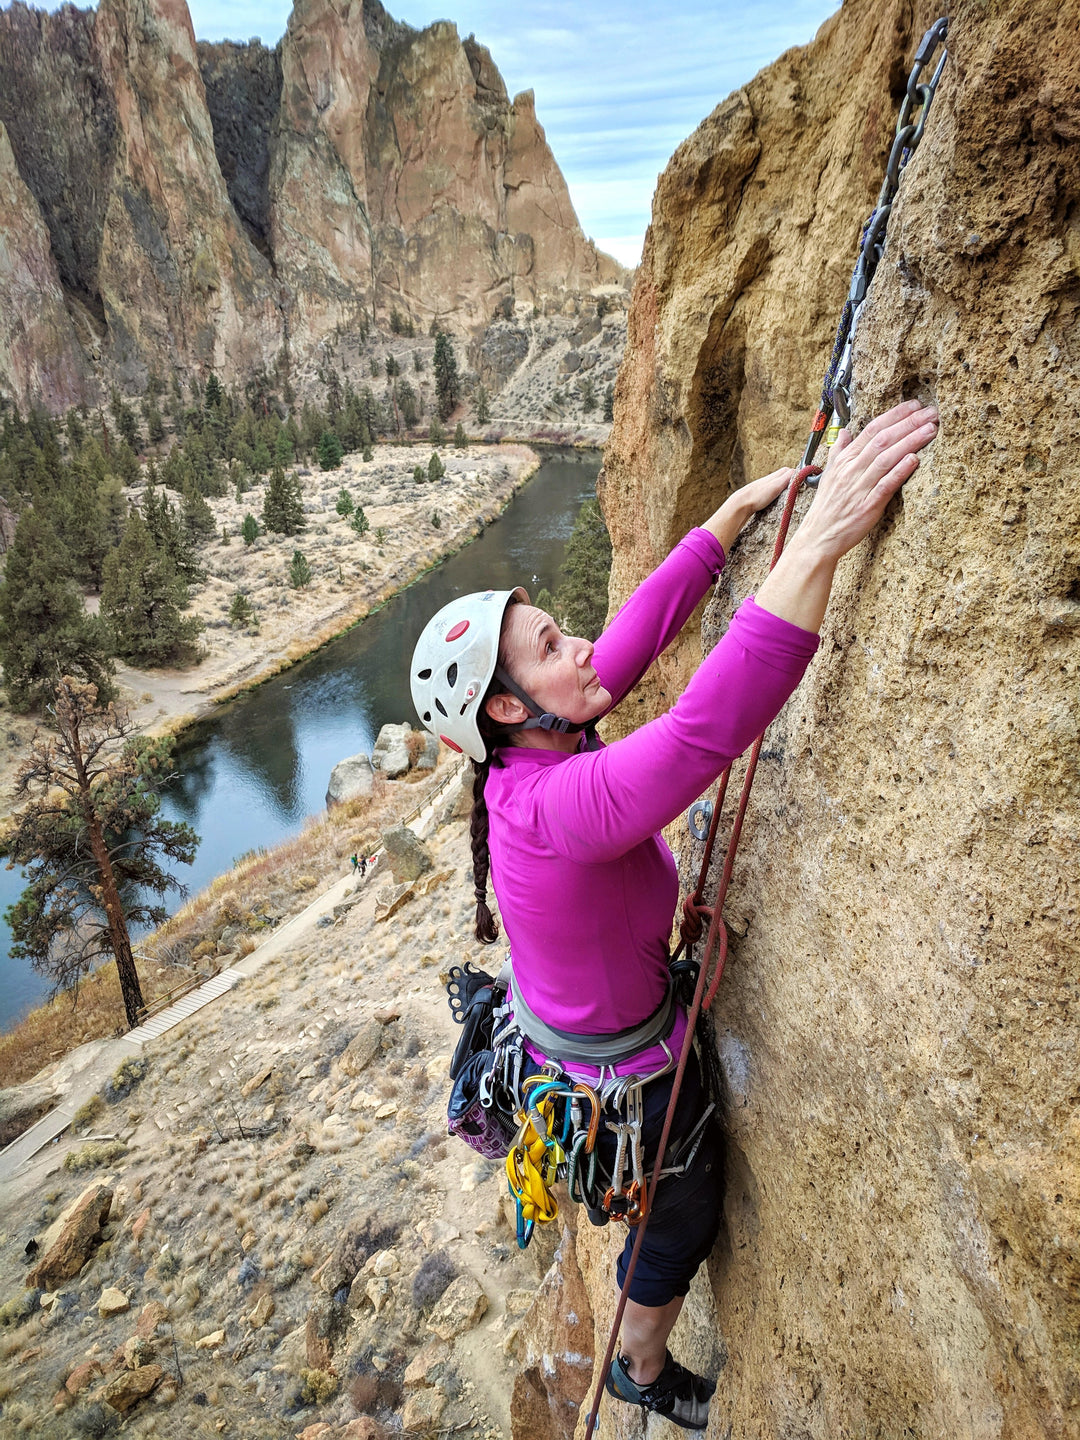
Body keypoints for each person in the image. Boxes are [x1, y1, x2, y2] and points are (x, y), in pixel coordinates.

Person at [410, 400, 938, 1429]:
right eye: (551, 642)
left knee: (675, 1194)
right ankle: (639, 1364)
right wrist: (823, 537)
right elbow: (703, 733)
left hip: (596, 1029)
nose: (580, 648)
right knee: (683, 1205)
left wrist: (732, 518)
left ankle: (640, 1351)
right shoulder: (555, 806)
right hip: (628, 1075)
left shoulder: (532, 755)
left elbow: (624, 654)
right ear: (512, 707)